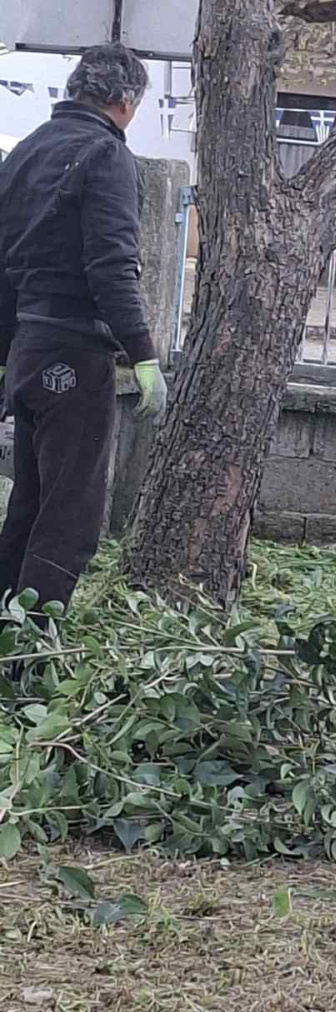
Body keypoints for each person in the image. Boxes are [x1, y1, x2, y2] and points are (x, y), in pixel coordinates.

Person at [0, 44, 168, 615]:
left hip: (27, 349)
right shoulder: (107, 156)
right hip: (74, 350)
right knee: (70, 511)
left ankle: (7, 615)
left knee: (30, 501)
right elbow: (112, 266)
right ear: (125, 102)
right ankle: (35, 634)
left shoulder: (27, 151)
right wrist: (143, 354)